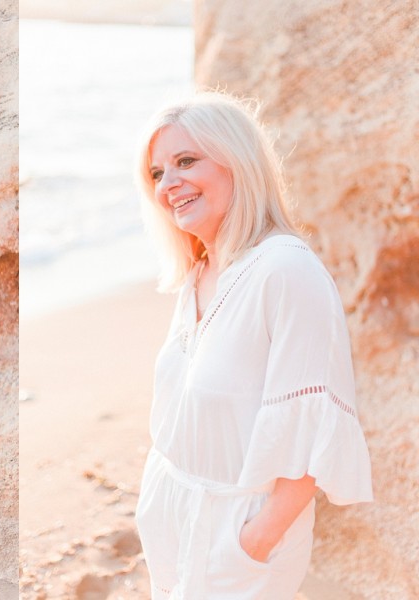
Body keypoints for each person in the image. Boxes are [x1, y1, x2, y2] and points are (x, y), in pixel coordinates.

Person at [133, 92, 373, 599]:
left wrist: (253, 541)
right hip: (171, 514)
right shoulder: (200, 271)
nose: (169, 184)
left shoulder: (286, 271)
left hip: (240, 534)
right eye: (157, 173)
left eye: (186, 161)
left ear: (237, 162)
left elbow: (312, 431)